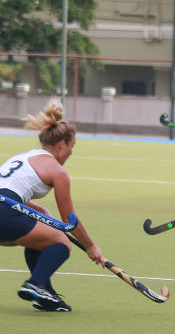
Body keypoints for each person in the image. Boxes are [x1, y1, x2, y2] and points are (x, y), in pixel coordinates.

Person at [0, 98, 106, 312]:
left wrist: (40, 211)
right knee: (61, 241)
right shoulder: (58, 172)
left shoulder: (26, 157)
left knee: (41, 240)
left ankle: (45, 296)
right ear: (61, 144)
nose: (71, 152)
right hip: (5, 212)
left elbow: (10, 191)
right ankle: (36, 284)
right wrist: (90, 246)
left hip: (6, 208)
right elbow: (70, 221)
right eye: (71, 146)